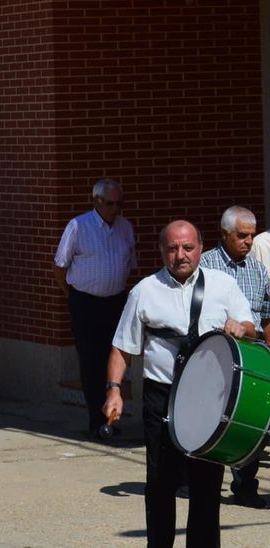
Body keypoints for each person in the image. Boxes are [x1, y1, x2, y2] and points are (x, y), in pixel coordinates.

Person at [103, 220, 255, 547]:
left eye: (187, 247)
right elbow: (121, 347)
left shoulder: (223, 285)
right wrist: (114, 390)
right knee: (160, 484)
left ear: (201, 248)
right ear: (162, 251)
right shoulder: (144, 290)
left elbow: (250, 326)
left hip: (209, 400)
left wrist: (241, 328)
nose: (180, 255)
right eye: (172, 248)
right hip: (162, 397)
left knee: (206, 487)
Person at [197, 206, 270, 509]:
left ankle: (245, 486)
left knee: (252, 421)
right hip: (217, 354)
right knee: (211, 420)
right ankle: (200, 483)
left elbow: (266, 313)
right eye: (241, 235)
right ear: (224, 233)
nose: (248, 242)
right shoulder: (206, 265)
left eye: (252, 235)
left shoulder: (256, 268)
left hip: (252, 355)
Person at [54, 178, 135, 440]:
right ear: (96, 201)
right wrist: (73, 297)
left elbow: (130, 263)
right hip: (86, 303)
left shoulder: (125, 227)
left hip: (115, 302)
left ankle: (113, 413)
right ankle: (97, 421)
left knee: (117, 357)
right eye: (110, 204)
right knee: (92, 362)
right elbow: (59, 266)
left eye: (119, 204)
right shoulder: (79, 226)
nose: (115, 209)